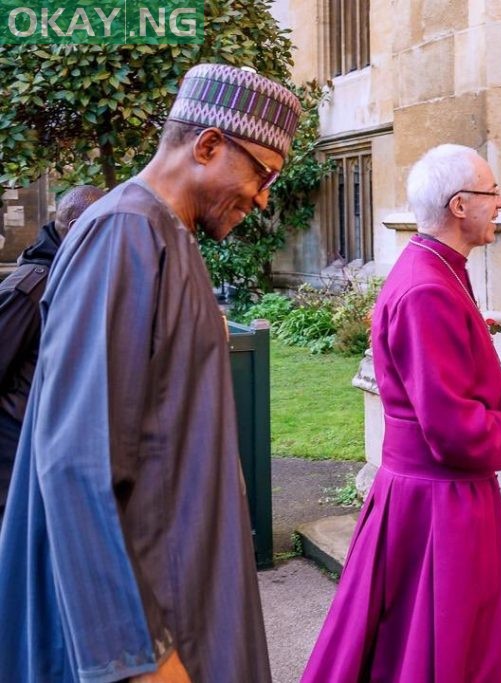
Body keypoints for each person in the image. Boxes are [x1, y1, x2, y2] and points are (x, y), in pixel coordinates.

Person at [0, 63, 300, 683]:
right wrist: (137, 656)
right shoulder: (124, 233)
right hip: (151, 621)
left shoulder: (165, 235)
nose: (264, 195)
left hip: (182, 587)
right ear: (209, 145)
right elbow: (77, 462)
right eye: (262, 173)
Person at [303, 144, 501, 683]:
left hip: (432, 497)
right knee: (446, 647)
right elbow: (451, 430)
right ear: (460, 205)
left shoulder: (435, 269)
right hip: (439, 504)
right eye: (493, 193)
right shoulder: (427, 288)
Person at [0, 185, 104, 521]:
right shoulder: (30, 287)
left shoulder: (68, 279)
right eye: (105, 228)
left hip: (45, 455)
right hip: (12, 462)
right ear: (77, 230)